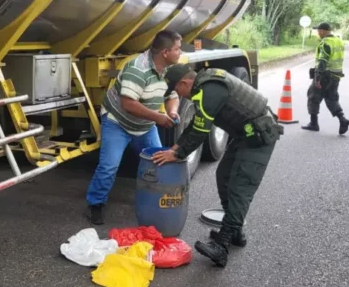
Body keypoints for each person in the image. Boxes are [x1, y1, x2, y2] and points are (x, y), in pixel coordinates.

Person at [152, 65, 283, 268]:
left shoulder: (210, 89)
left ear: (185, 83)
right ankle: (236, 232)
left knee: (240, 187)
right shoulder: (203, 87)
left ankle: (222, 247)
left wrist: (177, 154)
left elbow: (200, 131)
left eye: (178, 90)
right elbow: (196, 123)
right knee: (224, 175)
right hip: (244, 134)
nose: (178, 94)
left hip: (260, 136)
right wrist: (176, 147)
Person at [84, 31, 183, 225]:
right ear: (165, 52)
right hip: (117, 122)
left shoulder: (170, 70)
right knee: (109, 166)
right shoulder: (137, 69)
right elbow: (128, 103)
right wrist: (158, 117)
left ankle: (153, 200)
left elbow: (172, 96)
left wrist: (171, 112)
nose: (180, 53)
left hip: (144, 125)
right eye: (177, 49)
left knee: (158, 162)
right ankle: (95, 204)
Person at [301, 22, 349, 134]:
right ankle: (343, 119)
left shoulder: (325, 43)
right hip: (336, 76)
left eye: (318, 31)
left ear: (322, 31)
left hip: (325, 76)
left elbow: (323, 61)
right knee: (332, 98)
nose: (318, 33)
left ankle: (314, 124)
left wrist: (317, 77)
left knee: (313, 96)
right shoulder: (338, 41)